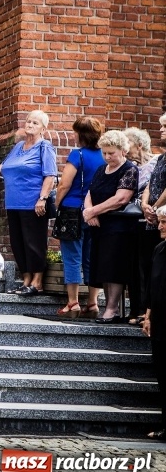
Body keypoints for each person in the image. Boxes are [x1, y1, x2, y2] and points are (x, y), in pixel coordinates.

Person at [0, 110, 56, 296]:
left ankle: (37, 281)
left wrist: (42, 198)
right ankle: (25, 279)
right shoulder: (18, 146)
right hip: (13, 203)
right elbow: (6, 164)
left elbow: (50, 175)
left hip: (33, 203)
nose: (30, 125)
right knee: (18, 243)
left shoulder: (45, 147)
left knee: (34, 242)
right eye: (28, 121)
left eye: (35, 123)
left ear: (43, 128)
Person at [82, 130, 139, 323]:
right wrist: (89, 211)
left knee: (113, 267)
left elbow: (120, 198)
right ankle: (108, 306)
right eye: (104, 152)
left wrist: (93, 211)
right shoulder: (101, 169)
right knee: (102, 267)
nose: (107, 156)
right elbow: (90, 192)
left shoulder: (129, 169)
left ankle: (112, 309)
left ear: (123, 150)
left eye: (111, 153)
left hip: (118, 227)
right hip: (99, 226)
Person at [52, 117, 104, 317]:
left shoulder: (77, 155)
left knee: (72, 256)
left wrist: (56, 205)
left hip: (72, 210)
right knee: (92, 258)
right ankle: (92, 303)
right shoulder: (103, 155)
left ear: (81, 135)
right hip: (95, 211)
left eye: (75, 132)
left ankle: (73, 302)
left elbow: (64, 184)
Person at [125, 126, 160, 323]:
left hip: (152, 220)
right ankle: (136, 308)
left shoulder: (156, 162)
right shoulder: (129, 166)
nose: (125, 146)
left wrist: (150, 207)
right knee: (134, 266)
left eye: (127, 142)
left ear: (139, 145)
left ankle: (145, 310)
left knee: (147, 265)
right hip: (133, 220)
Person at [141, 206, 166, 441]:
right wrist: (147, 316)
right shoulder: (159, 249)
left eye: (164, 223)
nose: (159, 226)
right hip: (159, 320)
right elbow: (152, 285)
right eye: (159, 222)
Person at [139, 114, 166, 326]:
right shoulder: (160, 158)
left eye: (165, 126)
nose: (161, 130)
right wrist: (144, 204)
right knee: (149, 264)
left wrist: (157, 208)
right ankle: (146, 309)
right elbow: (150, 184)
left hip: (162, 217)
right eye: (161, 126)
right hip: (152, 217)